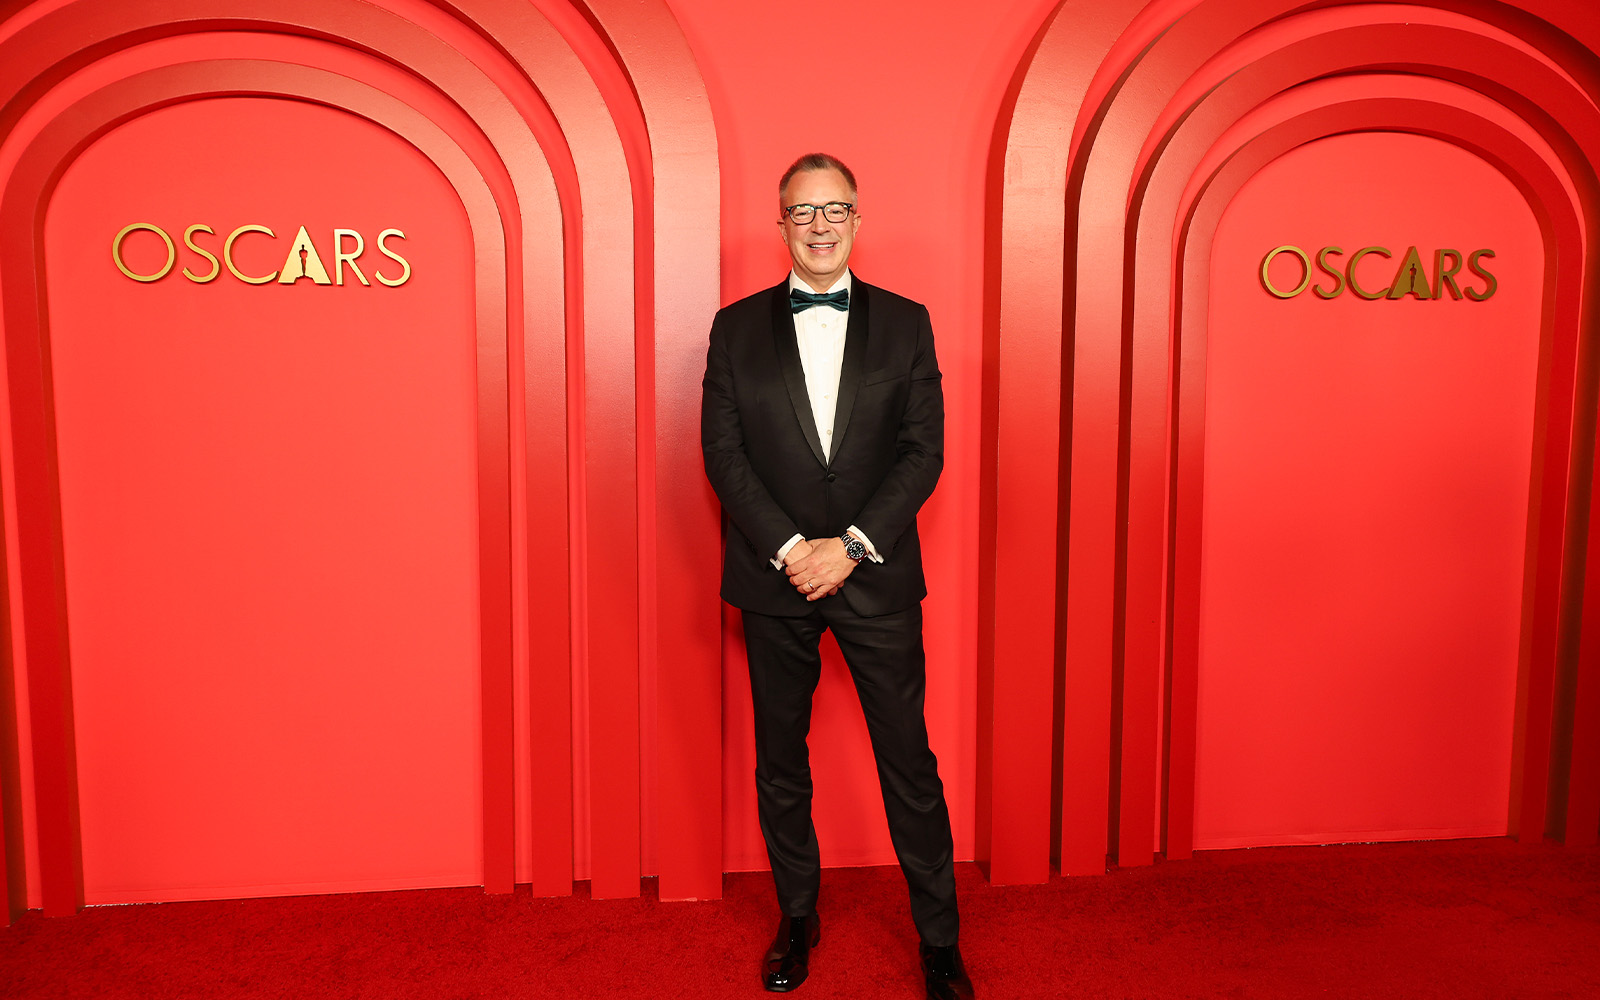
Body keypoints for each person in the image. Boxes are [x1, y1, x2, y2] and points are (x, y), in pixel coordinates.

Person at [701, 153, 973, 1000]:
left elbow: (923, 452)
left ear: (857, 219)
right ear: (780, 224)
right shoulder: (734, 327)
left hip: (874, 575)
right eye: (802, 211)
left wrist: (848, 547)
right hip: (773, 576)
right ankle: (798, 918)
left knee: (908, 761)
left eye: (834, 210)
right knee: (781, 760)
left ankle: (939, 941)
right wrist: (793, 550)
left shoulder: (907, 322)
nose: (819, 226)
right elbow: (723, 454)